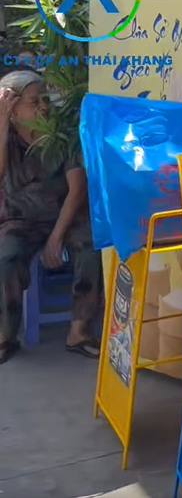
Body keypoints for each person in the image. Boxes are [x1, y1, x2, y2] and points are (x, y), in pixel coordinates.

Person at [0, 70, 102, 364]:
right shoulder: (6, 137)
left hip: (66, 214)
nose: (44, 107)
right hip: (21, 219)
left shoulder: (62, 135)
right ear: (13, 110)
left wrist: (56, 238)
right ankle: (5, 335)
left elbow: (77, 189)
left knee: (91, 245)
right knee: (6, 255)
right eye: (34, 102)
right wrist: (2, 129)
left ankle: (79, 331)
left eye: (45, 99)